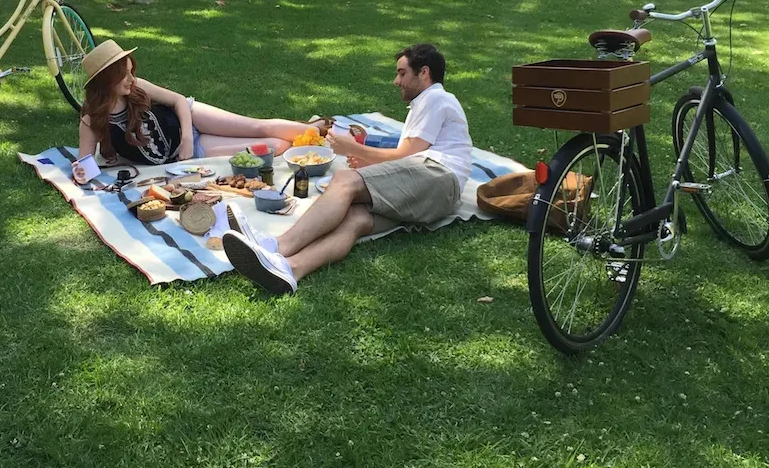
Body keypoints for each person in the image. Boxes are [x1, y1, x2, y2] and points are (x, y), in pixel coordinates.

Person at [222, 43, 472, 294]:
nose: (397, 81)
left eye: (402, 73)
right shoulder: (428, 103)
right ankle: (289, 268)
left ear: (424, 72)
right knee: (357, 219)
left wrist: (351, 148)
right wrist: (371, 162)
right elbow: (407, 158)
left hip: (438, 176)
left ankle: (274, 247)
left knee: (344, 180)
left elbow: (408, 154)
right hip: (440, 196)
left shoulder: (435, 98)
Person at [74, 40, 319, 178]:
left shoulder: (138, 87)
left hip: (190, 122)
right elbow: (84, 165)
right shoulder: (92, 120)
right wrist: (84, 172)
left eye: (131, 71)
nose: (131, 79)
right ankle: (308, 136)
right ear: (106, 81)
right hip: (185, 154)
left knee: (257, 126)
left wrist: (187, 139)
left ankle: (319, 132)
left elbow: (179, 100)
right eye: (123, 75)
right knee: (272, 147)